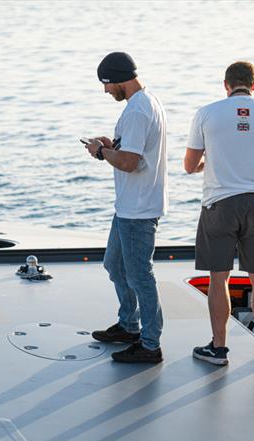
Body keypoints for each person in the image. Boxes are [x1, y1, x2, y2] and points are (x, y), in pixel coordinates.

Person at [184, 61, 254, 366]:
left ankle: (219, 349)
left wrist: (214, 163)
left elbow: (190, 166)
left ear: (226, 85)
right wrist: (253, 165)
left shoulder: (207, 113)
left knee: (219, 280)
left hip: (219, 205)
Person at [84, 51, 168, 364]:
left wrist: (99, 152)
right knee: (114, 265)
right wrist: (111, 145)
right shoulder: (147, 103)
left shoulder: (137, 110)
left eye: (106, 84)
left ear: (119, 79)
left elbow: (130, 164)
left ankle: (150, 344)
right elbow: (133, 152)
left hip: (138, 210)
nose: (106, 91)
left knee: (139, 276)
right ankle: (128, 325)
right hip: (130, 207)